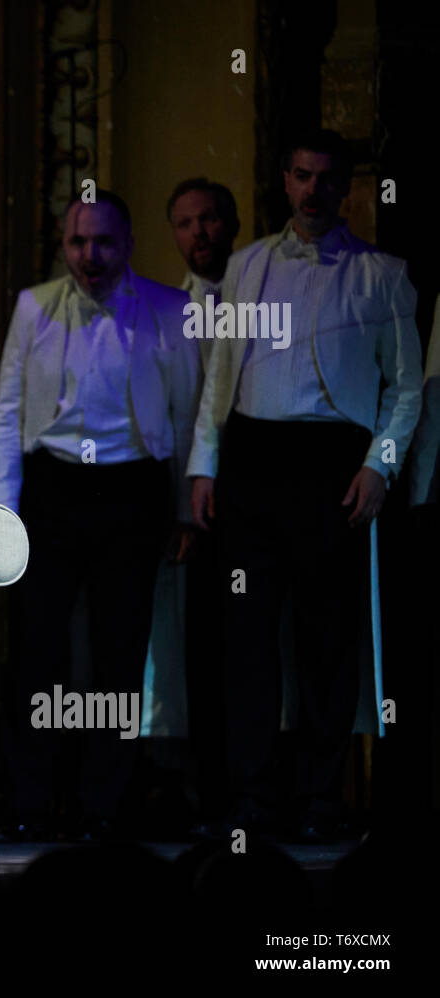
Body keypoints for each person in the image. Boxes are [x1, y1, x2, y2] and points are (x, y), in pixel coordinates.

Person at [187, 129, 423, 840]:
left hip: (333, 462)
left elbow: (406, 389)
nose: (313, 189)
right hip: (254, 459)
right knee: (248, 640)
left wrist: (379, 466)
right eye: (300, 175)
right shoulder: (247, 265)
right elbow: (220, 378)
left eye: (326, 178)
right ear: (283, 181)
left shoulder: (383, 274)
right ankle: (251, 798)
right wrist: (205, 464)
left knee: (327, 639)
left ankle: (322, 800)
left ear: (345, 186)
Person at [0, 189, 200, 838]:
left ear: (128, 244)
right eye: (78, 242)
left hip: (133, 492)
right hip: (51, 492)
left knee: (119, 653)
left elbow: (189, 413)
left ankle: (104, 803)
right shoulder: (34, 307)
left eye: (103, 241)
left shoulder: (171, 309)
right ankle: (30, 801)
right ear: (63, 245)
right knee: (37, 651)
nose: (90, 254)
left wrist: (188, 505)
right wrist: (2, 511)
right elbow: (5, 411)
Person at [165, 177, 240, 829]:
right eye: (186, 223)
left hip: (257, 489)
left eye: (211, 220)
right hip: (190, 501)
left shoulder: (261, 297)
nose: (200, 234)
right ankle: (196, 791)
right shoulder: (168, 310)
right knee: (195, 647)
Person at [167, 178, 240, 370]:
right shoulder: (168, 317)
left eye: (207, 218)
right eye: (185, 224)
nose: (198, 232)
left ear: (233, 225)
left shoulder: (265, 296)